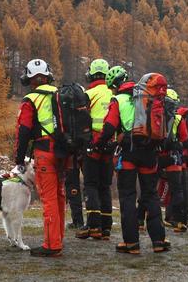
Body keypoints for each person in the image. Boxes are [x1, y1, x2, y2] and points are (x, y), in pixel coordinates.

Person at [95, 71, 171, 254]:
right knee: (150, 195)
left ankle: (131, 243)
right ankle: (158, 241)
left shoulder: (118, 100)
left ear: (115, 86)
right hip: (150, 151)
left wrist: (98, 144)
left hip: (129, 152)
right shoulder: (147, 97)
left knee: (128, 196)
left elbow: (109, 127)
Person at [14, 58, 67, 257]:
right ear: (47, 76)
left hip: (45, 152)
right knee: (60, 196)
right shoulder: (60, 94)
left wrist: (19, 158)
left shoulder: (30, 100)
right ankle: (58, 238)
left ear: (29, 78)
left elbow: (24, 131)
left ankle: (52, 245)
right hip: (64, 153)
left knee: (49, 198)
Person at [138, 88, 188, 233]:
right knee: (177, 189)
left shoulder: (154, 114)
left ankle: (140, 220)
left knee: (148, 188)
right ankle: (179, 221)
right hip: (173, 158)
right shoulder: (179, 118)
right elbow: (185, 140)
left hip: (156, 156)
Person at [76, 58, 115, 241]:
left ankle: (93, 226)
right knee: (105, 186)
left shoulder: (88, 94)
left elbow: (80, 120)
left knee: (91, 185)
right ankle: (106, 227)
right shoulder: (113, 94)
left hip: (92, 144)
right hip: (109, 145)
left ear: (90, 74)